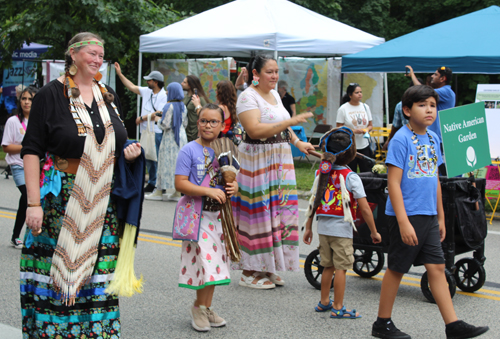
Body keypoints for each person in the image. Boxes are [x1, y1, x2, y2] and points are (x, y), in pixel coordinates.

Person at [21, 32, 143, 338]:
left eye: (101, 55)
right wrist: (33, 204)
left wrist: (129, 153)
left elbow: (119, 141)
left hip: (102, 200)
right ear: (73, 55)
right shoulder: (51, 94)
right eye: (91, 53)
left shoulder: (106, 95)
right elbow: (31, 149)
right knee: (60, 277)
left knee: (97, 280)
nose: (98, 59)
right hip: (61, 200)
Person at [371, 85, 489, 339]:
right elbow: (392, 183)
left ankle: (453, 325)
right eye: (422, 105)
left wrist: (441, 216)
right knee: (397, 269)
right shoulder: (401, 139)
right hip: (406, 216)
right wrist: (402, 221)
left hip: (428, 216)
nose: (429, 110)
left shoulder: (433, 139)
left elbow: (434, 178)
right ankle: (382, 323)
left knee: (436, 268)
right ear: (407, 110)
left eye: (433, 105)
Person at [232, 54, 314, 289]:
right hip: (258, 162)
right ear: (255, 74)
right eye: (269, 71)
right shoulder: (247, 97)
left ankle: (268, 266)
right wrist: (291, 121)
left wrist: (299, 143)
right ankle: (249, 271)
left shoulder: (276, 95)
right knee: (257, 215)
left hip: (280, 160)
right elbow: (255, 130)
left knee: (277, 213)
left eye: (276, 71)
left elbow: (284, 129)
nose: (275, 76)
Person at [303, 126, 381, 319]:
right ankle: (338, 307)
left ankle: (323, 302)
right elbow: (364, 209)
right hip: (342, 231)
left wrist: (308, 227)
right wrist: (374, 231)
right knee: (341, 269)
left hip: (323, 228)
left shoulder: (321, 173)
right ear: (352, 154)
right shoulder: (351, 177)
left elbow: (314, 200)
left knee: (327, 266)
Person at [174, 103, 238, 332]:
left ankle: (206, 307)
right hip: (197, 216)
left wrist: (234, 187)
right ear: (197, 122)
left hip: (220, 217)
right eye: (203, 121)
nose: (207, 125)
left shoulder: (226, 150)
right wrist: (209, 190)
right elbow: (180, 183)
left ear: (222, 125)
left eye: (213, 121)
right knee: (208, 264)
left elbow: (233, 179)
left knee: (217, 265)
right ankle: (198, 308)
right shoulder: (188, 150)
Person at [115, 63, 167, 193]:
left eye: (149, 80)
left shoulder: (163, 96)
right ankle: (152, 182)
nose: (147, 82)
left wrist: (142, 117)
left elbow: (160, 112)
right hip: (145, 130)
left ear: (155, 82)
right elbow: (131, 86)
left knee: (156, 157)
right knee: (148, 156)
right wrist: (120, 74)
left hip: (156, 130)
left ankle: (158, 183)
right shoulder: (147, 91)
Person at [2, 86, 38, 248]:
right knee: (28, 197)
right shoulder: (13, 121)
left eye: (30, 99)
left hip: (37, 166)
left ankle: (18, 236)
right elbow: (6, 147)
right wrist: (26, 146)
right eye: (23, 98)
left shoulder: (39, 121)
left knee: (27, 201)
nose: (26, 102)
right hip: (18, 166)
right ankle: (22, 236)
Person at [406, 66, 455, 175]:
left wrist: (413, 75)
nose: (432, 76)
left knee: (438, 171)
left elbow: (422, 91)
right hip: (437, 137)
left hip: (441, 139)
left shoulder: (446, 91)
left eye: (435, 74)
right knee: (434, 169)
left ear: (443, 79)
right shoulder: (445, 92)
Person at [145, 82, 188, 201]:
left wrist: (158, 119)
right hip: (181, 136)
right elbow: (185, 123)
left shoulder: (168, 106)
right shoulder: (183, 106)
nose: (166, 92)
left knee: (165, 162)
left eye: (168, 90)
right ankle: (177, 192)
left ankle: (159, 191)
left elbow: (165, 124)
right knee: (178, 164)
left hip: (170, 137)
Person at [336, 83, 373, 172]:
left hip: (364, 145)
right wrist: (353, 131)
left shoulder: (365, 107)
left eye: (361, 92)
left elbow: (370, 125)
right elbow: (339, 128)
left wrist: (366, 130)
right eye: (357, 92)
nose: (360, 94)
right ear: (350, 95)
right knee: (350, 172)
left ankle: (366, 186)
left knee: (367, 171)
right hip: (350, 146)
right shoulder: (343, 109)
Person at [384, 79, 423, 150]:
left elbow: (395, 127)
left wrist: (389, 141)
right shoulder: (400, 105)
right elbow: (395, 127)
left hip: (407, 140)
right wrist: (389, 141)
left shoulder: (400, 105)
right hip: (418, 139)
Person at [182, 75, 209, 142]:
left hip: (194, 134)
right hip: (186, 133)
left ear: (190, 85)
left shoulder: (199, 99)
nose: (182, 83)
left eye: (184, 82)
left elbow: (206, 114)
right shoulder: (185, 97)